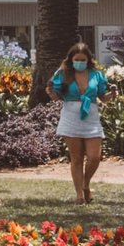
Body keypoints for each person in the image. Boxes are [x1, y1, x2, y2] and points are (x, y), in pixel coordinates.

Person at [49, 40, 108, 204]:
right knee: (76, 158)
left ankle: (86, 184)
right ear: (71, 59)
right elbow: (55, 95)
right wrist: (51, 93)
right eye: (77, 60)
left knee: (94, 157)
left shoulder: (97, 75)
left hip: (91, 118)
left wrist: (113, 95)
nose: (80, 63)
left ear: (88, 60)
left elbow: (103, 97)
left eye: (83, 60)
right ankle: (79, 195)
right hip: (71, 117)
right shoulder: (63, 74)